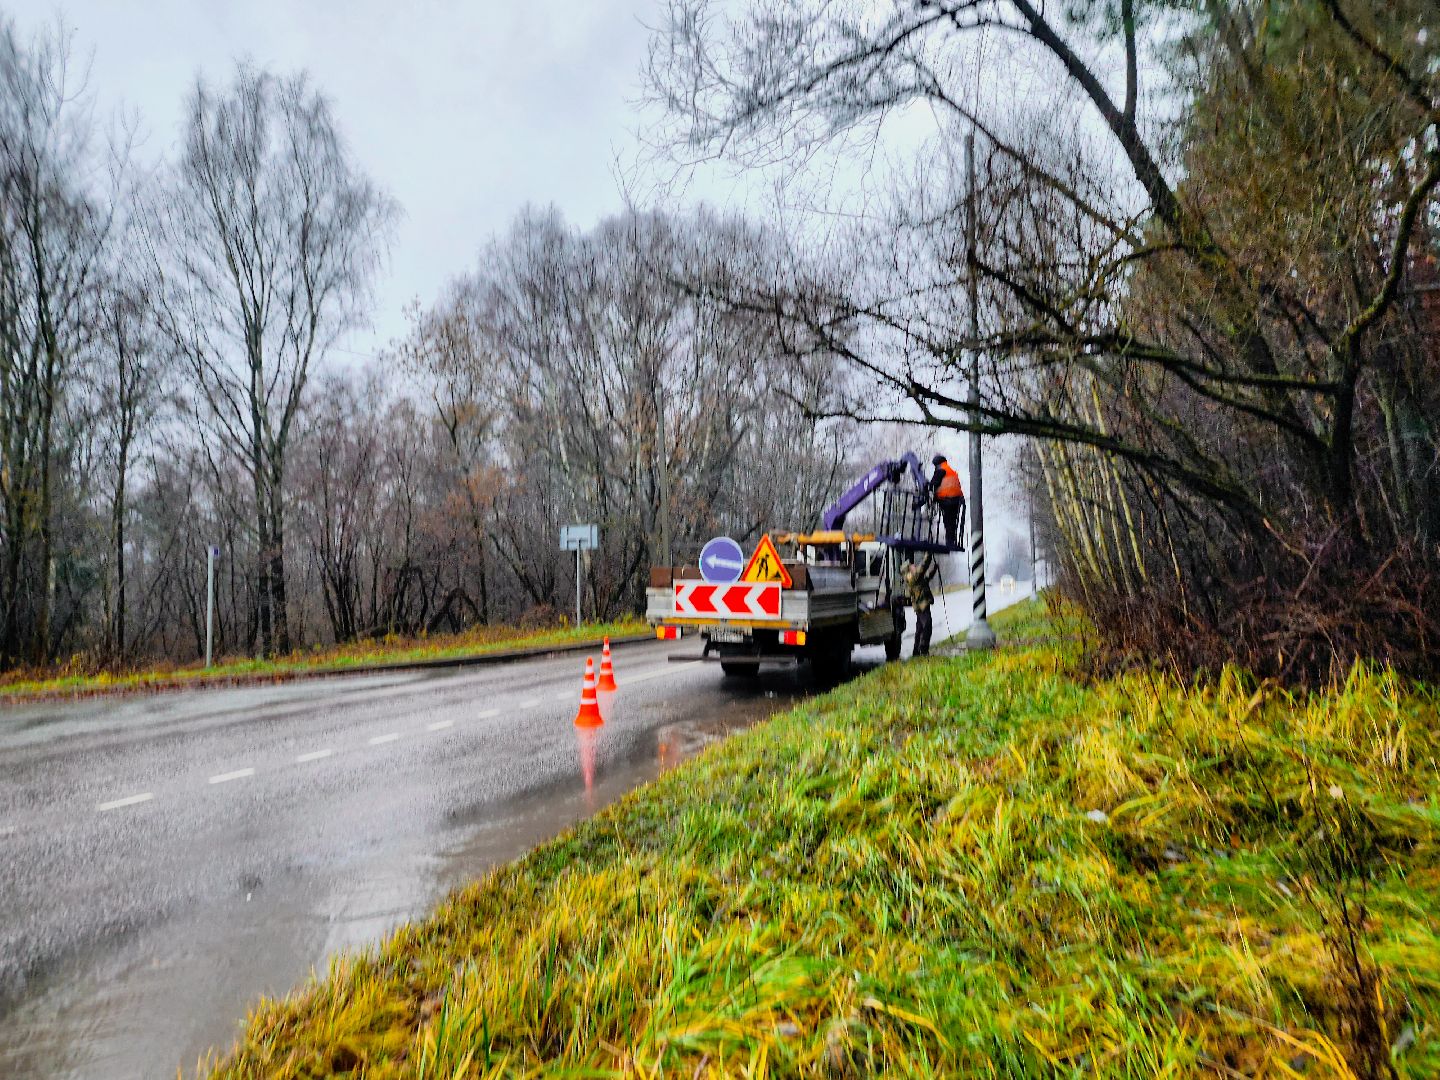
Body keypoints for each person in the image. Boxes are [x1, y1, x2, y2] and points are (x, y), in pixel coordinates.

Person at [902, 554, 938, 657]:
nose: (914, 565)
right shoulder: (912, 577)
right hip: (921, 606)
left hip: (921, 606)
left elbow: (926, 578)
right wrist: (928, 554)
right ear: (909, 570)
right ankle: (923, 649)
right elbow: (923, 565)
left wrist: (934, 569)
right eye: (911, 565)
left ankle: (916, 651)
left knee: (920, 628)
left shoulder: (916, 578)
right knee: (927, 626)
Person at [929, 454, 965, 548]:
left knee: (948, 522)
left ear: (937, 464)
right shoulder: (952, 471)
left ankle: (950, 543)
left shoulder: (941, 470)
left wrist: (932, 495)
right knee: (953, 522)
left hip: (946, 500)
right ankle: (951, 542)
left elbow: (933, 484)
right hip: (956, 500)